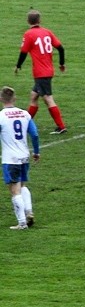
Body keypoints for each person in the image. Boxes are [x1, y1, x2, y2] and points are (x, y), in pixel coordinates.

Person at [15, 10, 68, 134]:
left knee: (48, 99)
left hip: (40, 72)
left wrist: (18, 66)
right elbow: (60, 48)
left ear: (28, 21)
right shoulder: (47, 32)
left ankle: (61, 126)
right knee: (34, 96)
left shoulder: (29, 34)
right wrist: (61, 64)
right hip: (48, 70)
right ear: (40, 20)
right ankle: (25, 124)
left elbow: (23, 52)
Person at [0, 86, 39, 230]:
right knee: (22, 185)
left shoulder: (1, 116)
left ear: (1, 99)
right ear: (14, 98)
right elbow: (34, 134)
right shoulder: (25, 114)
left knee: (14, 189)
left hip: (10, 158)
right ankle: (29, 212)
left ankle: (22, 223)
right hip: (24, 156)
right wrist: (36, 151)